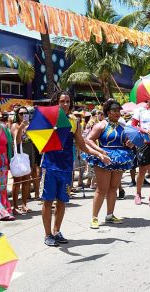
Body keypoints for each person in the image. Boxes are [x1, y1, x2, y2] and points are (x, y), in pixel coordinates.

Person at [40, 91, 110, 247]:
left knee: (62, 200)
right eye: (62, 101)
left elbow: (82, 145)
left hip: (66, 167)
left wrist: (99, 154)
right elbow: (38, 141)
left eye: (67, 101)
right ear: (56, 102)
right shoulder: (48, 119)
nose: (65, 104)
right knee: (47, 201)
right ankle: (47, 234)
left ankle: (57, 231)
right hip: (50, 166)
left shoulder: (74, 122)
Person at [84, 99, 135, 229]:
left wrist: (130, 143)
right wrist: (100, 151)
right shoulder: (101, 125)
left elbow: (128, 142)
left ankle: (110, 215)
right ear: (108, 112)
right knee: (102, 189)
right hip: (103, 158)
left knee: (113, 187)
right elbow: (88, 139)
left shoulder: (123, 126)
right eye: (114, 111)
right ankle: (94, 218)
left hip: (120, 158)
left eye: (119, 111)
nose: (117, 113)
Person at [10, 106, 33, 215]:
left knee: (27, 180)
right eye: (21, 113)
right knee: (17, 180)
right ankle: (15, 206)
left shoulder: (30, 125)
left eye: (25, 113)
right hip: (19, 152)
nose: (23, 115)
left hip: (29, 152)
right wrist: (21, 127)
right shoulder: (15, 125)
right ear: (17, 115)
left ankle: (24, 204)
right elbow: (17, 140)